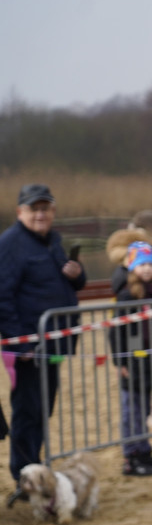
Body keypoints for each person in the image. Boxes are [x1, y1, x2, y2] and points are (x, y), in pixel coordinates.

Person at [0, 184, 87, 505]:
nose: (40, 214)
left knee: (43, 409)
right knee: (26, 410)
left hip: (53, 345)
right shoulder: (10, 245)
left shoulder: (53, 242)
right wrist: (19, 344)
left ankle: (35, 469)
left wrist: (77, 275)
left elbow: (67, 282)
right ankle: (24, 476)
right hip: (26, 349)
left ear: (52, 211)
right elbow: (3, 297)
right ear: (20, 211)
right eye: (34, 209)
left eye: (45, 208)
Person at [111, 242, 152, 476]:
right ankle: (131, 456)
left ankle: (144, 450)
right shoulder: (127, 294)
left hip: (148, 353)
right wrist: (122, 361)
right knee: (132, 408)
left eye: (150, 264)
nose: (146, 269)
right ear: (132, 266)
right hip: (132, 355)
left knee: (144, 405)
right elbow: (116, 331)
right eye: (142, 264)